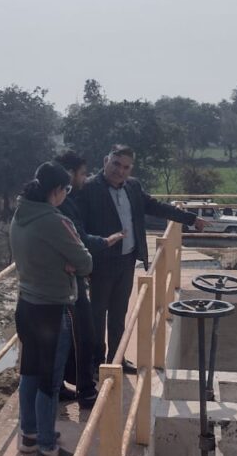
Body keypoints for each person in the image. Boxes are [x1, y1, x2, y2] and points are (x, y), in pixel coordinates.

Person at [75, 144, 204, 373]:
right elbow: (79, 228)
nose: (120, 171)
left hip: (127, 262)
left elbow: (156, 207)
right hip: (100, 264)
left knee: (119, 314)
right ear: (106, 161)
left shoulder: (133, 187)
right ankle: (96, 363)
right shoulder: (88, 188)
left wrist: (190, 219)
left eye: (126, 167)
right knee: (97, 316)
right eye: (116, 164)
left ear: (130, 169)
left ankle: (116, 359)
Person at [9, 162, 93, 456]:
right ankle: (47, 449)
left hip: (26, 305)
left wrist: (62, 260)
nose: (66, 194)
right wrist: (67, 263)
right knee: (50, 380)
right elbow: (85, 262)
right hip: (52, 310)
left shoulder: (20, 214)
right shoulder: (54, 221)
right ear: (56, 190)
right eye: (66, 189)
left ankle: (30, 434)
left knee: (30, 371)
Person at [55, 150, 124, 408]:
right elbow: (79, 240)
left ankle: (60, 386)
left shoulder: (49, 203)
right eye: (82, 174)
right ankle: (85, 390)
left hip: (49, 283)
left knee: (60, 338)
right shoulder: (61, 205)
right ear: (69, 174)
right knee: (82, 333)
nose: (85, 178)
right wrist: (106, 241)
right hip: (67, 281)